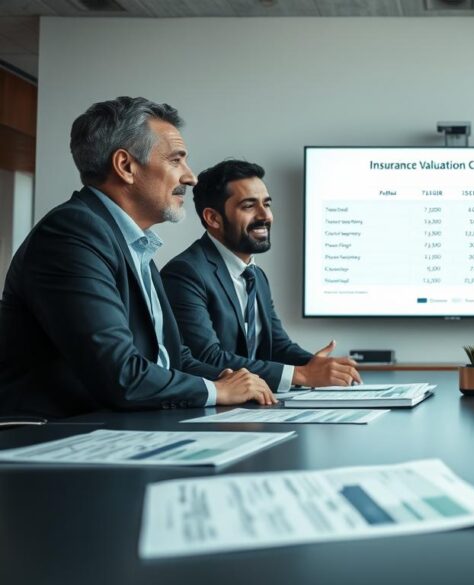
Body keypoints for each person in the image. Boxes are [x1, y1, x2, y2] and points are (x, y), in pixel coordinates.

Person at [0, 97, 274, 417]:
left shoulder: (133, 244)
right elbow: (119, 374)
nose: (190, 177)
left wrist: (230, 380)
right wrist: (217, 390)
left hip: (113, 430)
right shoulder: (71, 234)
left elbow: (173, 358)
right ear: (126, 166)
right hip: (51, 439)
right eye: (176, 160)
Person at [162, 159, 361, 390]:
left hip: (253, 405)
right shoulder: (186, 273)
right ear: (213, 218)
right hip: (212, 413)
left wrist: (316, 365)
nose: (264, 216)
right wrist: (302, 375)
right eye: (248, 206)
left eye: (266, 204)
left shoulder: (255, 275)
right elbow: (207, 357)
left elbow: (278, 346)